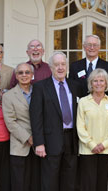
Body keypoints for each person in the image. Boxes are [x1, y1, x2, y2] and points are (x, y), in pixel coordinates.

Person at [30, 52, 80, 191]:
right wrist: (39, 143)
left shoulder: (75, 86)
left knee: (69, 181)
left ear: (67, 66)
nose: (60, 68)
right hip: (50, 141)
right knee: (50, 181)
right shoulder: (40, 87)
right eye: (56, 65)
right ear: (50, 67)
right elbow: (36, 117)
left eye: (63, 64)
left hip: (72, 140)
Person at [76, 68, 108, 191]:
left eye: (101, 81)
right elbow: (80, 126)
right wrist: (92, 144)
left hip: (106, 150)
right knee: (87, 184)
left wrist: (104, 144)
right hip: (87, 150)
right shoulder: (83, 102)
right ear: (90, 83)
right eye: (95, 81)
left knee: (102, 184)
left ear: (106, 83)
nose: (98, 83)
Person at [3, 63, 40, 191]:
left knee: (36, 183)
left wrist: (38, 138)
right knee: (19, 184)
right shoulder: (8, 96)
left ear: (32, 75)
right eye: (20, 73)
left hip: (39, 145)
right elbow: (10, 122)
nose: (24, 75)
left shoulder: (40, 91)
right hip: (19, 145)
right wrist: (29, 138)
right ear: (16, 76)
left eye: (27, 72)